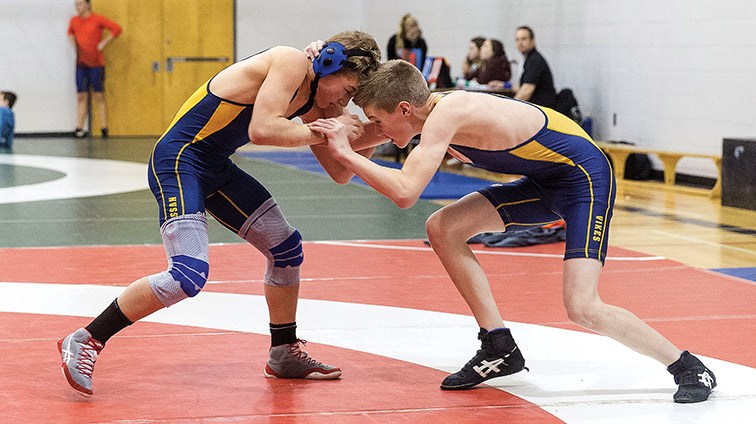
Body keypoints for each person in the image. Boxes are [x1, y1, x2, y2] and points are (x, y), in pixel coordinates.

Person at [309, 59, 717, 404]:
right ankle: (498, 344)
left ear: (403, 109)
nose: (377, 132)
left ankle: (689, 367)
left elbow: (404, 192)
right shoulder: (423, 113)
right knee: (443, 227)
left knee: (582, 306)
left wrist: (344, 148)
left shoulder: (449, 114)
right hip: (545, 178)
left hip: (583, 181)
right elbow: (344, 159)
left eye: (379, 120)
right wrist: (313, 110)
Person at [57, 30, 384, 398]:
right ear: (329, 63)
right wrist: (327, 132)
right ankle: (86, 338)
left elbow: (341, 171)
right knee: (187, 274)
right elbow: (262, 130)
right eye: (350, 88)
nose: (347, 99)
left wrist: (384, 131)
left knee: (286, 249)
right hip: (179, 159)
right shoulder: (291, 61)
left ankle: (283, 352)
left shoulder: (320, 102)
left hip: (212, 165)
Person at [68, 0, 122, 138]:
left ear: (87, 4)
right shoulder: (74, 20)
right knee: (81, 95)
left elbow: (116, 29)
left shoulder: (97, 19)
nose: (78, 7)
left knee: (99, 95)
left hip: (96, 63)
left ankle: (104, 127)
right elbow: (70, 33)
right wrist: (76, 47)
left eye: (80, 4)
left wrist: (103, 43)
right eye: (76, 5)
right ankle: (79, 127)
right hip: (81, 63)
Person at [513, 26, 556, 108]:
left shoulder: (535, 60)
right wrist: (504, 85)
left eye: (524, 39)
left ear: (532, 40)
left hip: (541, 109)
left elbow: (526, 91)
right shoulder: (529, 59)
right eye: (517, 40)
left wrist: (511, 107)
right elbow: (521, 86)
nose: (520, 43)